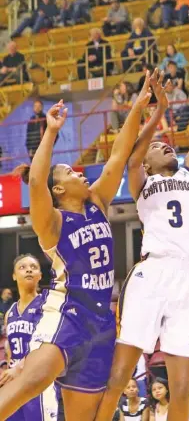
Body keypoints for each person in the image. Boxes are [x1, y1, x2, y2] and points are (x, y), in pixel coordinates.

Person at [95, 0, 189, 421]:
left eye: (167, 140)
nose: (164, 143)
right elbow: (131, 156)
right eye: (156, 146)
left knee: (183, 390)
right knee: (118, 377)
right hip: (152, 274)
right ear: (148, 160)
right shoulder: (141, 180)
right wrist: (157, 115)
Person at [0, 73, 153, 420]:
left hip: (102, 324)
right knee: (31, 381)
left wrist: (138, 107)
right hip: (68, 313)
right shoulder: (51, 222)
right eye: (71, 172)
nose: (81, 173)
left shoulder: (98, 202)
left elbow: (118, 153)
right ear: (59, 190)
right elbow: (37, 180)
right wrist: (51, 133)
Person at [0, 254, 63, 420]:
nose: (28, 269)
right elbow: (10, 349)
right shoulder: (10, 312)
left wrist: (20, 368)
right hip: (14, 383)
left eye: (33, 267)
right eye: (22, 267)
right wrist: (6, 369)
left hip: (39, 379)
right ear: (14, 276)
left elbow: (49, 346)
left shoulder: (47, 305)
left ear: (40, 275)